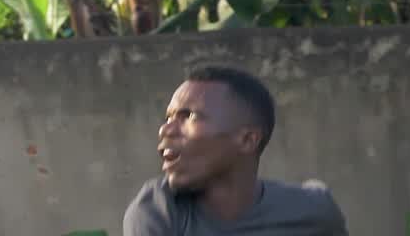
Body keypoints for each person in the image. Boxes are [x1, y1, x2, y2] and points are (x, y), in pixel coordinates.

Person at [123, 66, 348, 235]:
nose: (166, 129)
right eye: (168, 118)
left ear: (247, 140)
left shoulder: (313, 211)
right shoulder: (158, 210)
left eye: (189, 116)